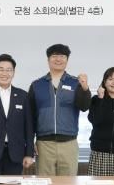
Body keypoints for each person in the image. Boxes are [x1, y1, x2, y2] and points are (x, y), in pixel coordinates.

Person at [28, 44, 91, 176]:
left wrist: (85, 89)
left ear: (67, 60)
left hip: (69, 143)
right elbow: (30, 117)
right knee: (45, 184)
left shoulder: (76, 83)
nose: (58, 59)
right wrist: (30, 142)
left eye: (62, 56)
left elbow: (84, 106)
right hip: (44, 144)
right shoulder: (37, 85)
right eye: (54, 56)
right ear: (48, 59)